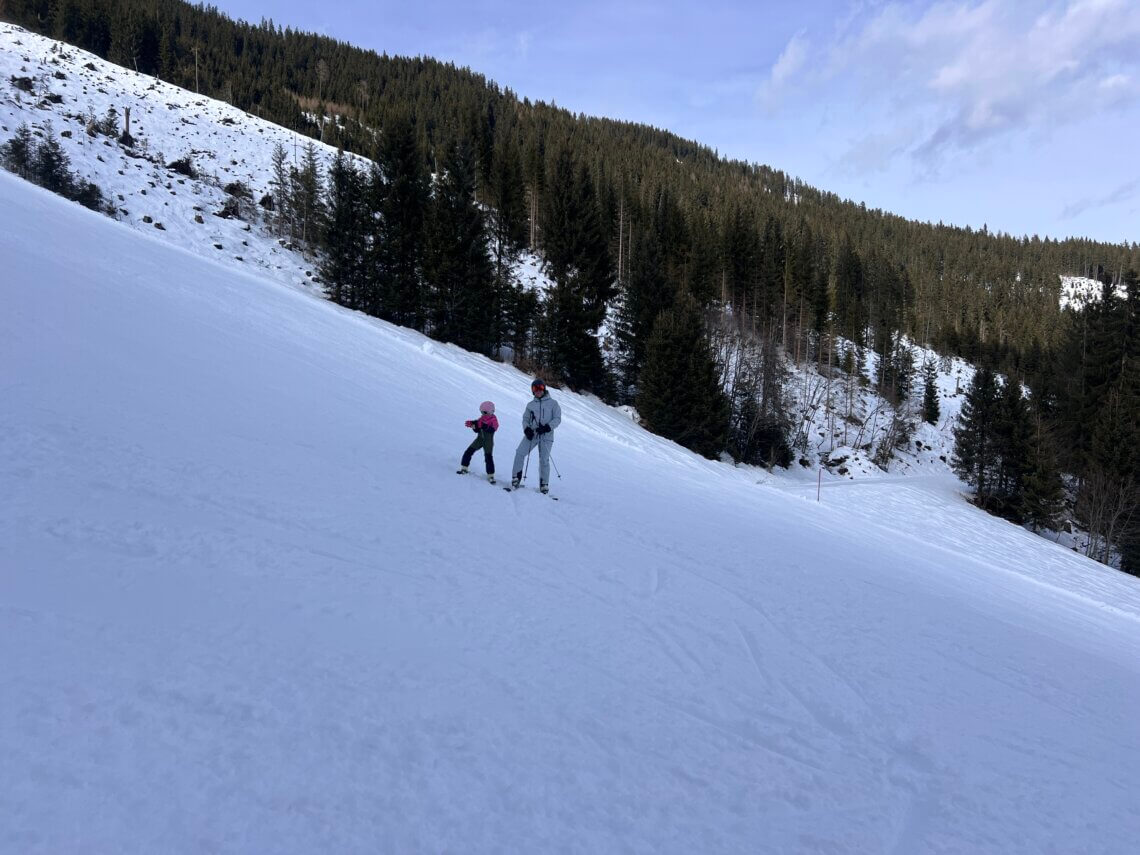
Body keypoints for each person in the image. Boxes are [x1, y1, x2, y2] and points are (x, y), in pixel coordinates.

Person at [511, 379, 561, 493]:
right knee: (520, 453)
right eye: (535, 388)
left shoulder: (553, 403)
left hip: (546, 436)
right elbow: (525, 419)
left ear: (544, 389)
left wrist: (547, 427)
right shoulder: (530, 405)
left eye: (540, 388)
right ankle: (516, 478)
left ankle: (544, 485)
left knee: (544, 460)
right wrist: (527, 429)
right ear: (532, 391)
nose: (538, 391)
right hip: (532, 434)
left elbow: (557, 419)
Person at [458, 401, 499, 483]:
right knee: (468, 452)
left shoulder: (493, 420)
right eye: (481, 412)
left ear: (491, 411)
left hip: (488, 442)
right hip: (479, 440)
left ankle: (490, 476)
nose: (482, 414)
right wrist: (473, 425)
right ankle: (464, 468)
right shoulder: (481, 419)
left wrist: (483, 426)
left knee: (488, 457)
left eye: (484, 412)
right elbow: (477, 430)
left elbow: (493, 429)